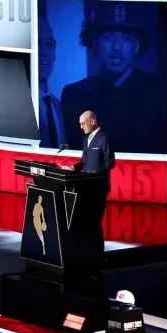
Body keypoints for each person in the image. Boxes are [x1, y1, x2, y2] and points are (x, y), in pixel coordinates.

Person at [60, 2, 166, 154]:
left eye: (126, 38)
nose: (117, 47)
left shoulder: (159, 92)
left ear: (137, 46)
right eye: (108, 36)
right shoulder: (74, 95)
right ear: (94, 43)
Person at [64, 111, 115, 266]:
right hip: (86, 187)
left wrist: (96, 173)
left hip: (98, 188)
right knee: (86, 223)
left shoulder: (103, 138)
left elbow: (110, 162)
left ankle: (98, 258)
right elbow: (84, 161)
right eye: (80, 124)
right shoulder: (86, 139)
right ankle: (87, 256)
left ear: (92, 121)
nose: (81, 127)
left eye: (83, 123)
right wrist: (73, 168)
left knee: (95, 222)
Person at [38, 18, 65, 148]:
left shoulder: (59, 105)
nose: (44, 52)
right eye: (37, 43)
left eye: (49, 44)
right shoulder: (16, 104)